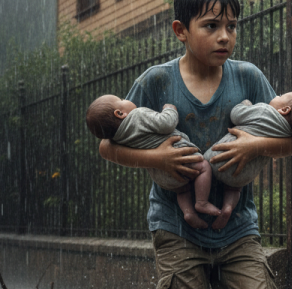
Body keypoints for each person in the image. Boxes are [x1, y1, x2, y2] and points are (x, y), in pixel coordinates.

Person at [98, 0, 292, 289]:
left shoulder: (248, 78)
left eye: (231, 25)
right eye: (211, 25)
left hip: (236, 226)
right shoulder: (156, 82)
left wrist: (256, 145)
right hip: (176, 228)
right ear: (181, 30)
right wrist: (157, 161)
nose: (224, 35)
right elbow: (107, 144)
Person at [86, 96, 225, 230]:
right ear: (120, 113)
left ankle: (188, 212)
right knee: (204, 167)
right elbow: (166, 124)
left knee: (182, 190)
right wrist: (170, 109)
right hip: (181, 159)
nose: (127, 99)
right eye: (122, 100)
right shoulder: (138, 115)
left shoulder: (117, 139)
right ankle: (202, 202)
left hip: (162, 176)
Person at [206, 93, 292, 229]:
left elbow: (236, 115)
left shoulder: (265, 111)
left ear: (284, 110)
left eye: (280, 96)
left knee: (203, 167)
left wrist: (246, 104)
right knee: (235, 189)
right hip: (242, 175)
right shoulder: (287, 134)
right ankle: (227, 208)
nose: (276, 95)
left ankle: (199, 202)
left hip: (220, 158)